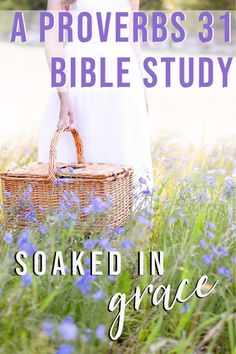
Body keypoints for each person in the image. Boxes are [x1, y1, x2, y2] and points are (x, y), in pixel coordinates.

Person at [38, 0, 153, 192]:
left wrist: (143, 88)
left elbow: (133, 39)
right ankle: (75, 214)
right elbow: (52, 37)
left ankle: (121, 215)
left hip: (123, 79)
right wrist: (63, 92)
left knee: (120, 152)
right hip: (80, 77)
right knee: (80, 151)